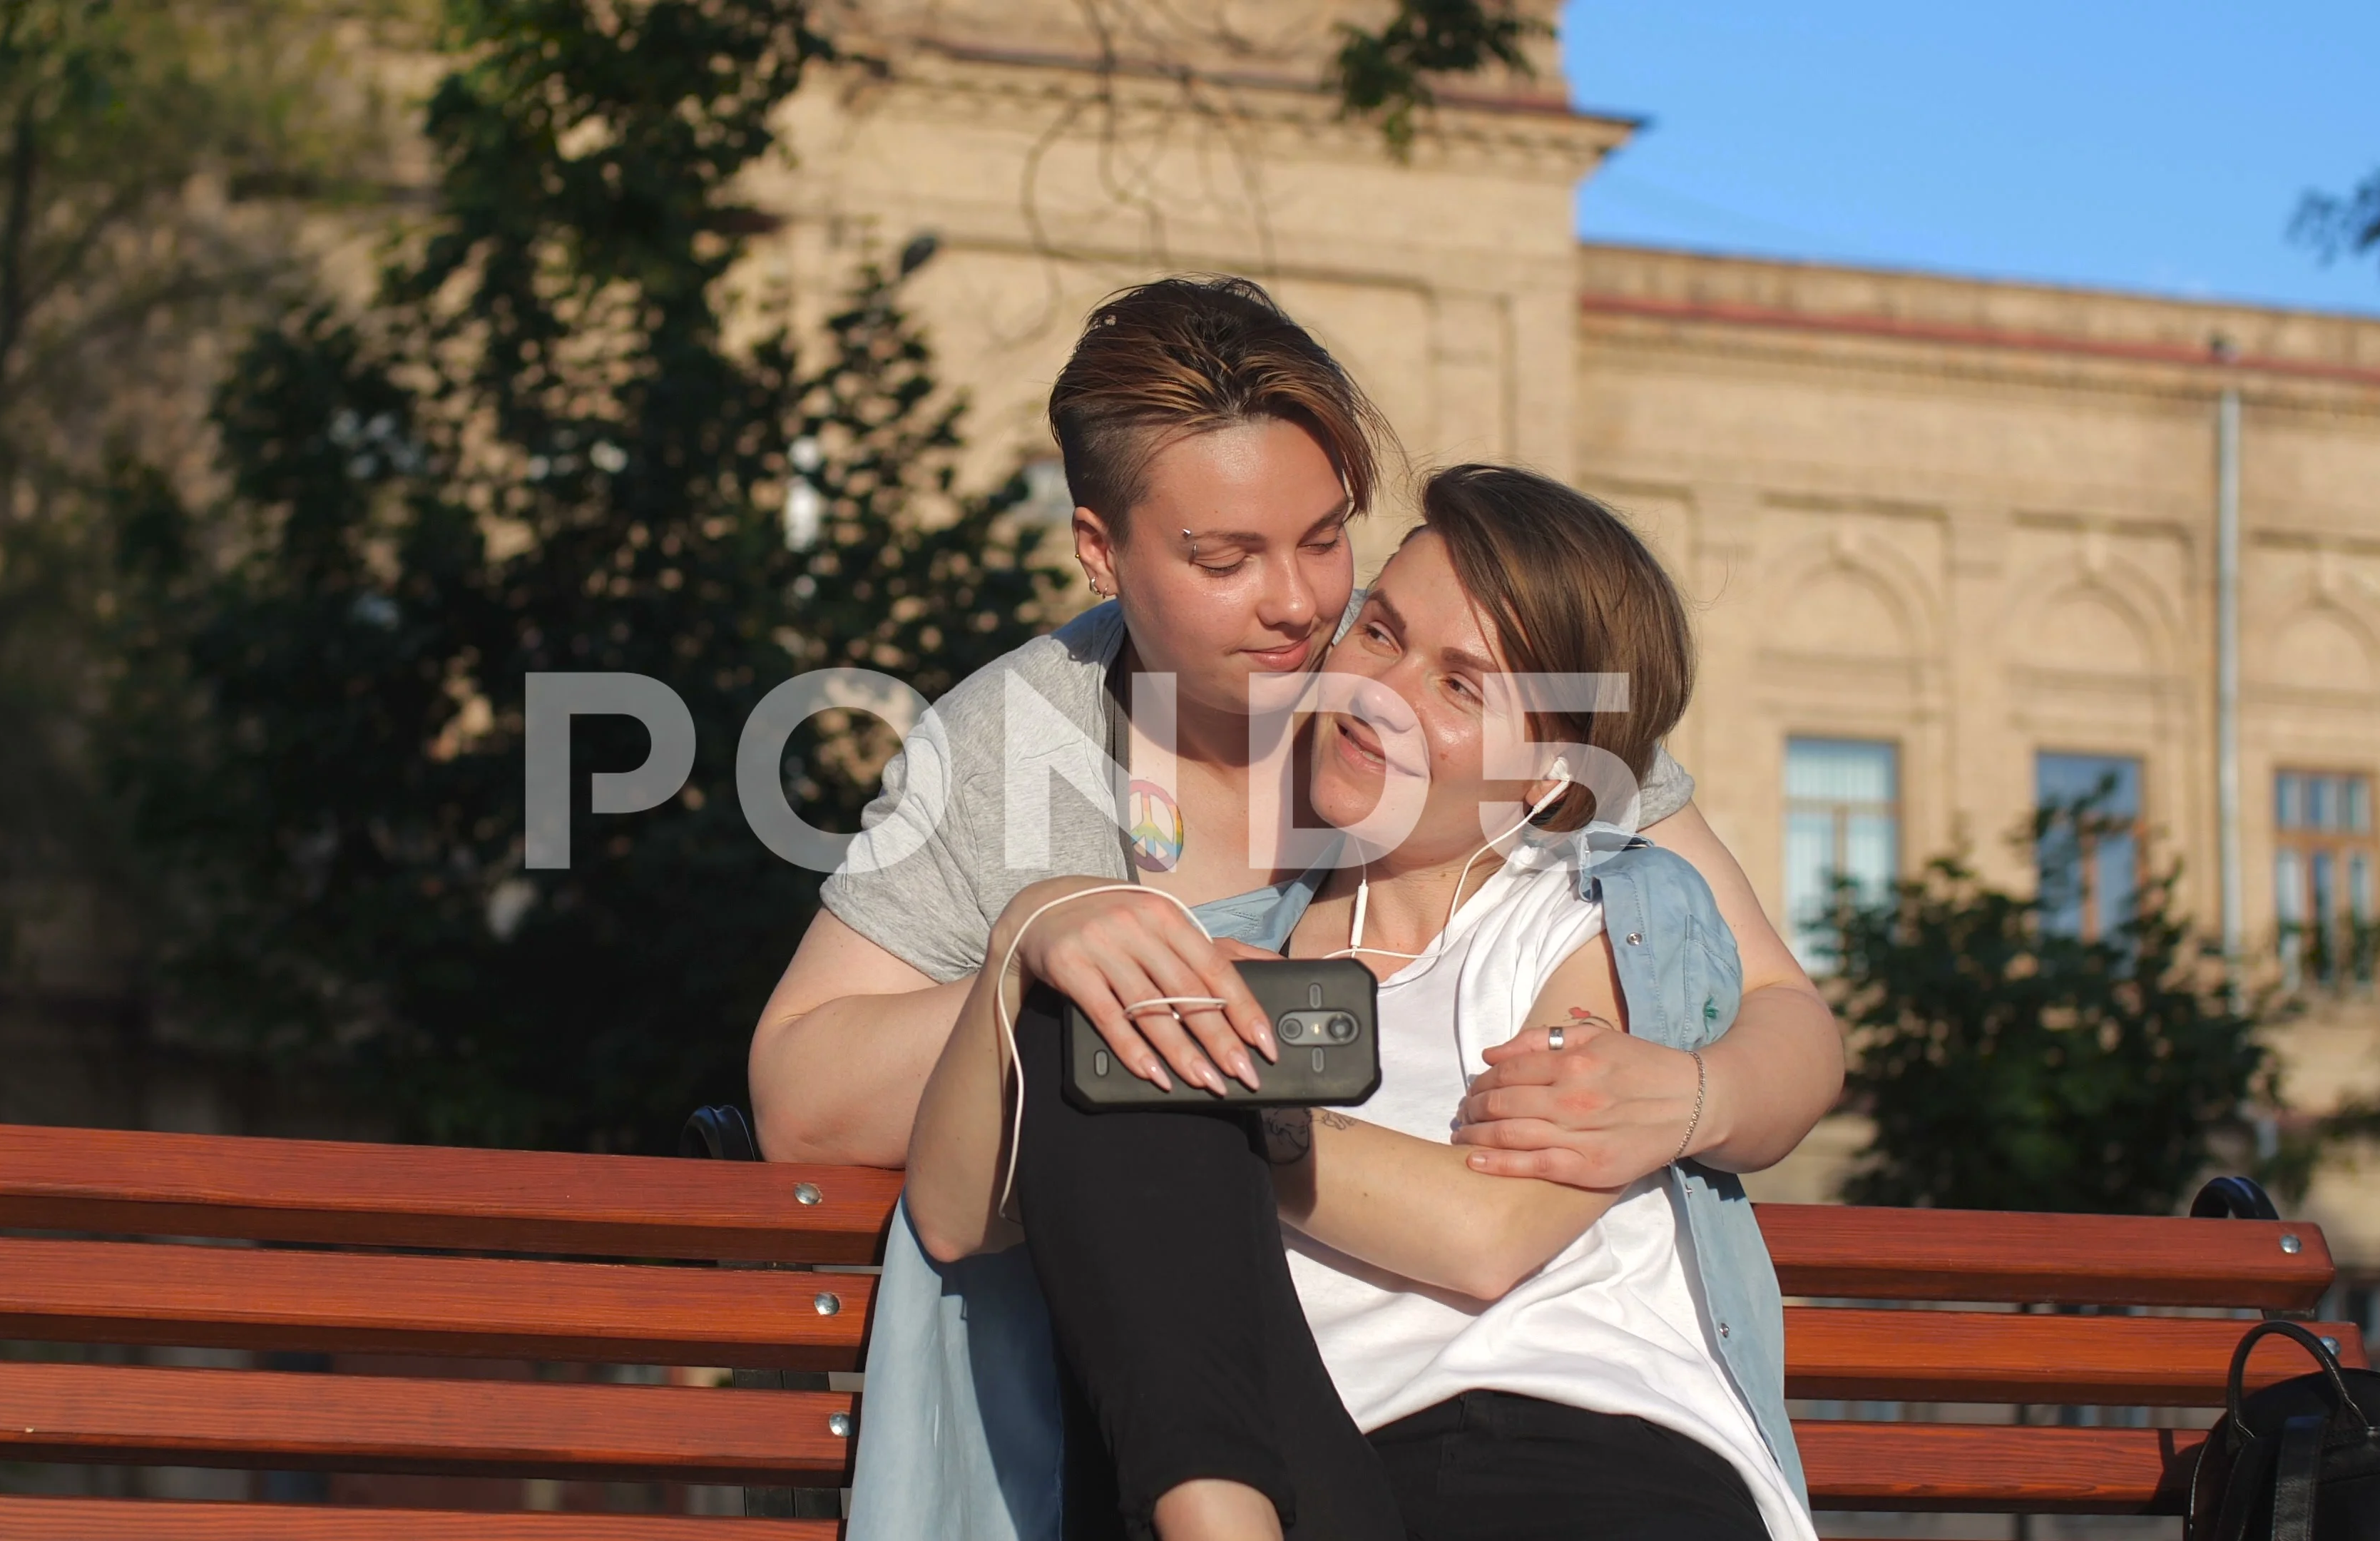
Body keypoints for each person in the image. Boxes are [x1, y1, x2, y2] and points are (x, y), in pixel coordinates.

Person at [750, 275, 1838, 1191]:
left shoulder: (1433, 664)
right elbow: (798, 1104)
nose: (1298, 605)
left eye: (1324, 540)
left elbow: (1782, 1010)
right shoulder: (1009, 740)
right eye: (1226, 561)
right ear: (1099, 549)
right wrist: (1029, 968)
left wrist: (1702, 1096)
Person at [904, 466, 1815, 1541]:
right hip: (1320, 1470)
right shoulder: (1211, 957)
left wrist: (1226, 1112)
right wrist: (1026, 938)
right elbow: (958, 1219)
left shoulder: (1591, 915)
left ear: (1548, 774)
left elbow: (1488, 1234)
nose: (1380, 694)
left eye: (1462, 686)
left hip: (1590, 1457)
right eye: (1380, 634)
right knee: (1101, 998)